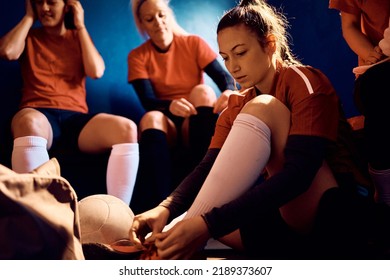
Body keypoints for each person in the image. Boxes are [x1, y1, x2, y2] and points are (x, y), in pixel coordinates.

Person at [128, 0, 385, 259]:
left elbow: (300, 174)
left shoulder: (303, 80)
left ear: (270, 45)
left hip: (337, 210)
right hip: (285, 210)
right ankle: (162, 244)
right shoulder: (236, 105)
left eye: (240, 53)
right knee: (199, 225)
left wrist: (206, 224)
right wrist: (165, 209)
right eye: (226, 58)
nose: (232, 67)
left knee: (263, 107)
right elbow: (207, 168)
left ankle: (176, 242)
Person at [0, 0, 139, 205]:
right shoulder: (29, 37)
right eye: (39, 3)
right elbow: (7, 52)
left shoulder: (78, 38)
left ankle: (116, 217)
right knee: (28, 121)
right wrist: (29, 17)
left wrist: (80, 25)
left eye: (52, 2)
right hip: (39, 116)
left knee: (126, 128)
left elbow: (96, 71)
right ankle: (36, 215)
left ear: (67, 6)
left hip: (76, 119)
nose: (45, 8)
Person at [128, 0, 236, 214]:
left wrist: (229, 91)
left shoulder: (193, 43)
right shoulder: (138, 55)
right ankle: (159, 206)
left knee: (203, 91)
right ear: (142, 24)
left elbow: (225, 78)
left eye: (161, 15)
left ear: (169, 14)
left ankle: (200, 193)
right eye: (150, 19)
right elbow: (148, 100)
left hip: (194, 118)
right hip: (166, 119)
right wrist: (170, 105)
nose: (158, 23)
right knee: (149, 118)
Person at [329, 0, 390, 206]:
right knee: (373, 91)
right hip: (377, 67)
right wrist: (372, 55)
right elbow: (349, 26)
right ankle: (384, 192)